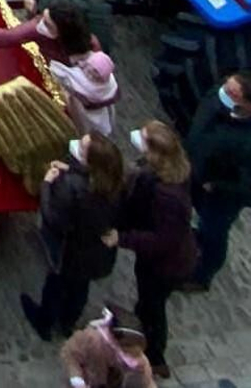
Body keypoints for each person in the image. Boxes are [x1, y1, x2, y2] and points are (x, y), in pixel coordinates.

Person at [23, 132, 125, 340]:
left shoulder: (71, 186)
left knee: (56, 285)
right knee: (80, 288)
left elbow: (53, 217)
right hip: (96, 251)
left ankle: (45, 322)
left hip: (70, 249)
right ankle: (67, 322)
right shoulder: (117, 182)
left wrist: (47, 185)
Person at [115, 121, 197, 377]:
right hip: (163, 260)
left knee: (154, 306)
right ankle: (141, 329)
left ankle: (154, 357)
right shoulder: (170, 172)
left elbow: (162, 240)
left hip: (164, 265)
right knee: (149, 304)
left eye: (144, 137)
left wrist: (123, 238)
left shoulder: (167, 196)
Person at [183, 69, 251, 290]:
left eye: (231, 93)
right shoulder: (221, 94)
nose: (223, 92)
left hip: (223, 193)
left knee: (214, 231)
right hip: (196, 169)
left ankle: (201, 276)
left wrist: (217, 185)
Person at [61, 307, 157, 388]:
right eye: (129, 346)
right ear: (117, 341)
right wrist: (76, 378)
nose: (135, 352)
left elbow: (147, 383)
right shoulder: (93, 339)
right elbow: (70, 353)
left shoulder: (138, 362)